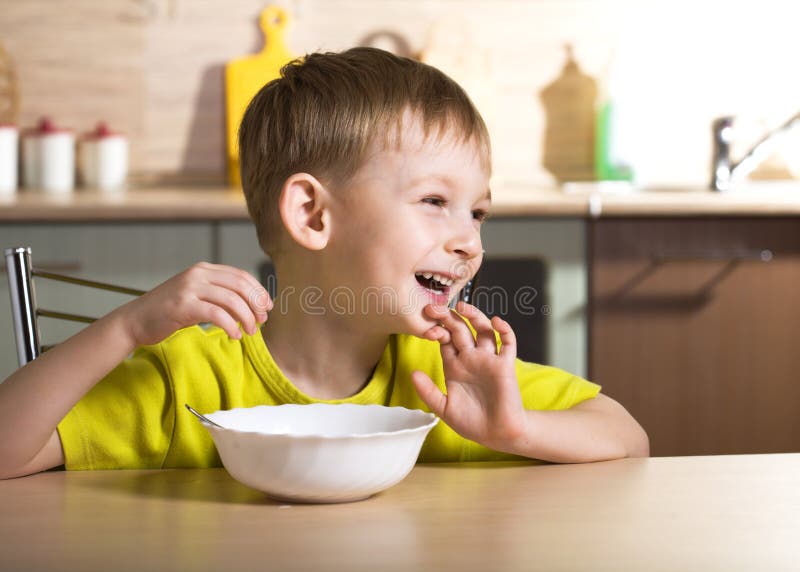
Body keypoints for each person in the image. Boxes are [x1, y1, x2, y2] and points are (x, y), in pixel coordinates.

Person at [0, 48, 648, 479]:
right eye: (435, 202)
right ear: (312, 214)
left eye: (476, 212)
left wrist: (516, 430)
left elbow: (626, 435)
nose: (470, 242)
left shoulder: (449, 380)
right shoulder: (191, 381)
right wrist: (127, 329)